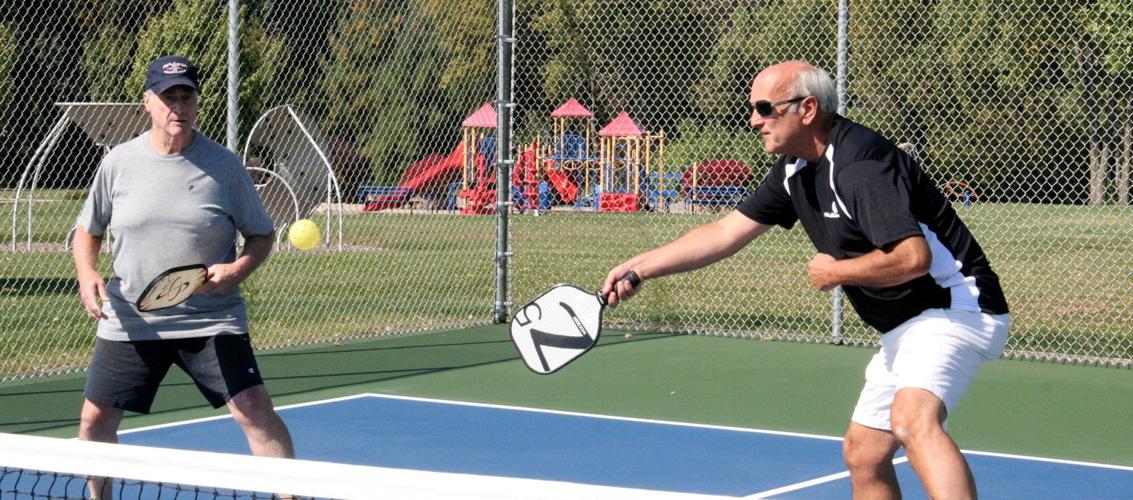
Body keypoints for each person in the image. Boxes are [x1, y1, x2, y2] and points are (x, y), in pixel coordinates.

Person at [602, 60, 1009, 499]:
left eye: (765, 108)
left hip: (956, 307)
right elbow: (725, 232)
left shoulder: (859, 165)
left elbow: (912, 258)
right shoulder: (794, 169)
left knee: (913, 421)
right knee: (864, 453)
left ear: (808, 109)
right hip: (906, 325)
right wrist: (641, 266)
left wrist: (837, 271)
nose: (754, 119)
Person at [72, 55, 294, 494]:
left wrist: (237, 269)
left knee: (253, 408)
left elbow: (262, 235)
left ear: (196, 102)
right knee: (94, 421)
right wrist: (86, 273)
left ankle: (289, 494)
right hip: (132, 317)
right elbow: (87, 230)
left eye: (186, 96)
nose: (178, 106)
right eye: (168, 97)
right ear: (147, 102)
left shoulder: (225, 166)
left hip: (211, 317)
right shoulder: (118, 162)